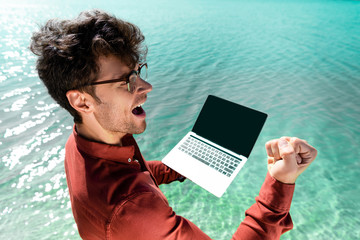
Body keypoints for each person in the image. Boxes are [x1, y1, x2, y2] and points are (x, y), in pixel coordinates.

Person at [30, 9, 317, 240]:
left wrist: (181, 167)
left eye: (138, 72)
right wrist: (280, 182)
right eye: (125, 81)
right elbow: (130, 199)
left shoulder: (83, 141)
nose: (146, 86)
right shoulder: (136, 213)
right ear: (82, 102)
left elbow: (130, 171)